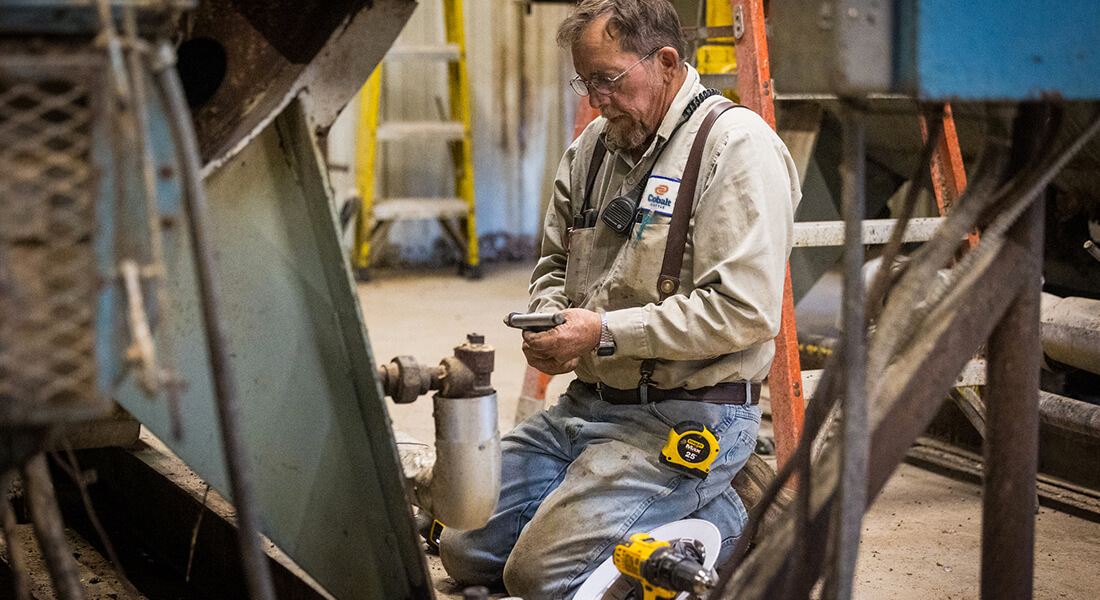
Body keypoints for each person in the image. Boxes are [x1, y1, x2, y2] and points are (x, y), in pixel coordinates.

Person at [439, 1, 800, 597]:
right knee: (466, 545)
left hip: (687, 415)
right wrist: (551, 321)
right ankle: (609, 507)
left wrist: (604, 332)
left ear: (664, 62)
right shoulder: (591, 150)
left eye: (608, 79)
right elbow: (554, 263)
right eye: (586, 81)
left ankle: (735, 514)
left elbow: (745, 310)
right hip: (590, 404)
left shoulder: (734, 147)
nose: (596, 98)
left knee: (541, 578)